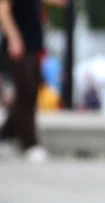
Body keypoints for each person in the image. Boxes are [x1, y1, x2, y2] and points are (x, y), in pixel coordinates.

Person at [0, 0, 67, 163]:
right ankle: (29, 143)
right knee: (26, 92)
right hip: (18, 47)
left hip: (33, 45)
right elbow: (3, 10)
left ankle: (6, 134)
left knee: (31, 93)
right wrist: (14, 38)